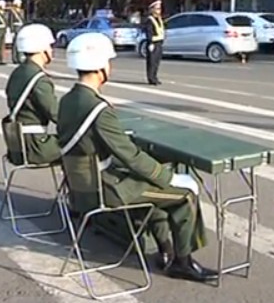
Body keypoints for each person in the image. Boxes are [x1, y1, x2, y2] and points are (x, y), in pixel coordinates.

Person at [57, 32, 214, 282]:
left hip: (82, 186)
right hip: (106, 188)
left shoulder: (67, 100)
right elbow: (129, 155)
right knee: (184, 196)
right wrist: (167, 176)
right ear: (100, 67)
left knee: (155, 191)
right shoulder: (99, 109)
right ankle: (182, 262)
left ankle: (166, 251)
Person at [2, 23, 60, 165]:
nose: (51, 50)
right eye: (49, 46)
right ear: (42, 49)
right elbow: (56, 114)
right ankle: (79, 187)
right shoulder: (39, 79)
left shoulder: (17, 73)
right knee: (82, 145)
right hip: (35, 147)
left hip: (17, 148)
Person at [144, 0, 165, 85]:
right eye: (156, 9)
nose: (158, 11)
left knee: (156, 62)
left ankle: (155, 77)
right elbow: (149, 32)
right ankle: (151, 78)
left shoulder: (159, 19)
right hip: (152, 43)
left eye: (159, 9)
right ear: (152, 9)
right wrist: (151, 43)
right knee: (151, 62)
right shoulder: (150, 20)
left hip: (159, 43)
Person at [9, 0, 25, 64]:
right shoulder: (12, 11)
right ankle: (14, 58)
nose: (20, 5)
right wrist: (12, 30)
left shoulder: (21, 11)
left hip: (21, 27)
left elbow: (23, 20)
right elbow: (11, 21)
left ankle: (19, 58)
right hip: (15, 28)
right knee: (15, 44)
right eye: (19, 3)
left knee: (20, 44)